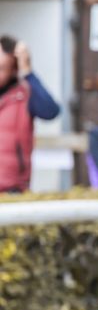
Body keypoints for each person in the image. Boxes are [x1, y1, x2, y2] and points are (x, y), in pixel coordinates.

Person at [0, 36, 60, 193]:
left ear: (14, 70)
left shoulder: (25, 94)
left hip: (11, 188)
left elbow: (50, 111)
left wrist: (27, 71)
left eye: (1, 68)